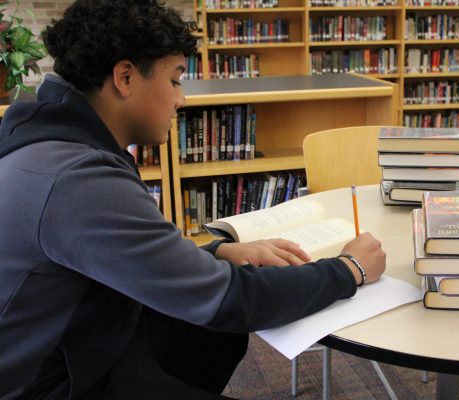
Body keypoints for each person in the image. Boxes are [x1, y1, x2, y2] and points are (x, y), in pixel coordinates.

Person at [0, 0, 386, 399]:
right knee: (219, 320)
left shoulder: (54, 136)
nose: (181, 100)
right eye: (175, 79)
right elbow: (231, 299)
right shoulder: (76, 179)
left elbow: (130, 252)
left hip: (82, 336)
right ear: (125, 77)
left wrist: (217, 254)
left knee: (216, 336)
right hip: (47, 383)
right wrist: (349, 268)